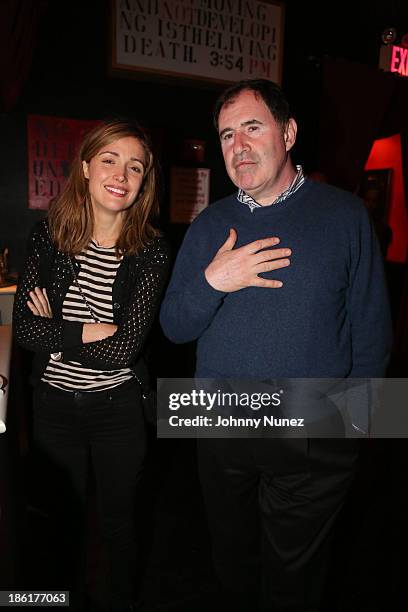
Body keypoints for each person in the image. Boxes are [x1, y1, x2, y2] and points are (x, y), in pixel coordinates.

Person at [160, 80, 393, 611]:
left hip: (313, 427)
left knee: (296, 579)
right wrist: (214, 280)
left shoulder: (346, 216)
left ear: (288, 133)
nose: (237, 145)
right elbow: (174, 326)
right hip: (219, 418)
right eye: (225, 134)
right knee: (230, 563)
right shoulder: (209, 225)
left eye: (252, 127)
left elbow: (373, 329)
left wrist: (355, 429)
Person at [13, 119, 169, 612]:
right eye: (109, 159)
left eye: (135, 166)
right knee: (62, 523)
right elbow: (25, 330)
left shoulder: (152, 253)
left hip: (119, 411)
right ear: (85, 167)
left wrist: (58, 336)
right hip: (54, 408)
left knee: (120, 528)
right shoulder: (48, 239)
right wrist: (86, 333)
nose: (122, 173)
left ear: (143, 183)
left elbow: (124, 353)